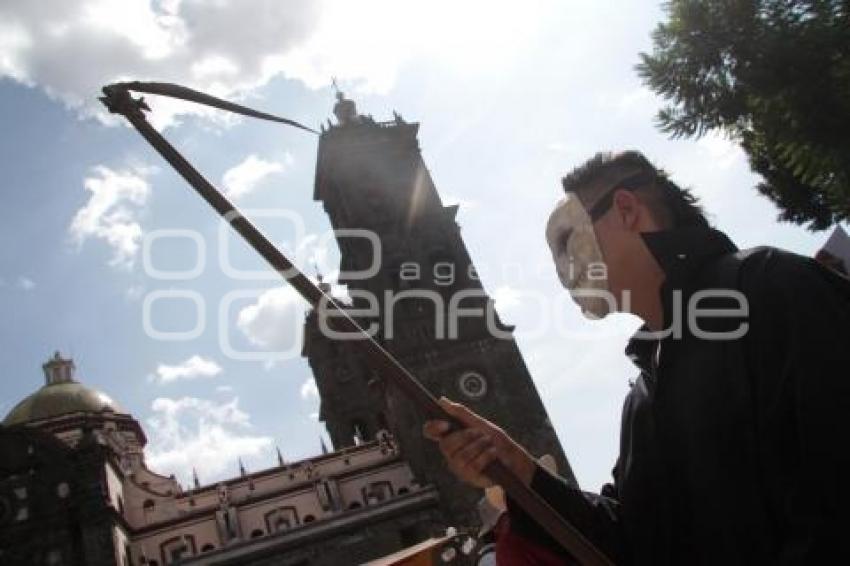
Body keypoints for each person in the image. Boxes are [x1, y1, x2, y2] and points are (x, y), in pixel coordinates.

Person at [423, 151, 850, 565]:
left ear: (627, 210)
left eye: (567, 240)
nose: (562, 268)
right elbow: (632, 540)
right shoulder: (645, 396)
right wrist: (522, 476)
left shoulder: (769, 289)